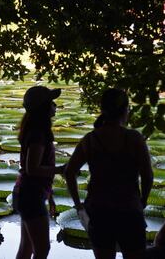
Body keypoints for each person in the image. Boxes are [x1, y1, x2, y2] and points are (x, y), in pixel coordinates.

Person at [65, 88, 153, 259]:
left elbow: (69, 172)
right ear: (126, 110)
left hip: (99, 212)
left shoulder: (91, 139)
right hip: (129, 210)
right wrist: (142, 201)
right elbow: (147, 176)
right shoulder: (134, 138)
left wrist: (79, 205)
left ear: (103, 109)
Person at [14, 86, 65, 259]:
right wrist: (61, 170)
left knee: (26, 248)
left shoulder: (34, 130)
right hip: (31, 196)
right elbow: (32, 168)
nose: (54, 105)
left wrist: (50, 197)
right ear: (43, 108)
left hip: (26, 193)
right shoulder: (38, 134)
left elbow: (34, 171)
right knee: (42, 250)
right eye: (51, 102)